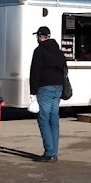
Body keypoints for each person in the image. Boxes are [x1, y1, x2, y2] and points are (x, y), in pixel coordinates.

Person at [29, 25, 67, 162]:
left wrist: (32, 92)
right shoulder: (58, 51)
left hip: (45, 87)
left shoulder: (39, 51)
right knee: (54, 119)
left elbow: (35, 72)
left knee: (43, 119)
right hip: (59, 87)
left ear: (40, 37)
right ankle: (54, 152)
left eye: (37, 36)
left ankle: (49, 152)